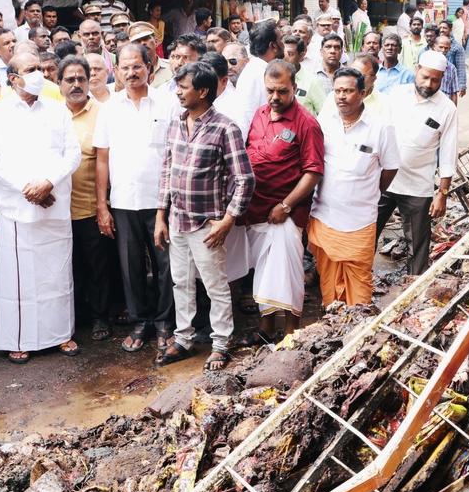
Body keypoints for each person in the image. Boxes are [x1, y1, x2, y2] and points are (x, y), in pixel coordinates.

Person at [0, 52, 81, 363]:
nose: (39, 73)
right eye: (31, 69)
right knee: (18, 277)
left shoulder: (56, 109)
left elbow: (72, 154)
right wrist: (29, 187)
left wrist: (48, 182)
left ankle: (61, 333)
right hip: (17, 206)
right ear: (13, 78)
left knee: (56, 273)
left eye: (39, 67)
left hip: (54, 202)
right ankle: (19, 337)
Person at [154, 62, 254, 370]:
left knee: (215, 285)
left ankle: (221, 342)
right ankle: (183, 339)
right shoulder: (175, 123)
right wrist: (161, 215)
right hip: (178, 220)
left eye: (184, 87)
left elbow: (245, 179)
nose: (178, 92)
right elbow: (168, 170)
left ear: (203, 91)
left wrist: (228, 219)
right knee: (180, 282)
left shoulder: (226, 127)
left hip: (207, 223)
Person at [95, 43, 176, 354]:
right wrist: (102, 205)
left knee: (166, 264)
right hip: (124, 200)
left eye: (137, 66)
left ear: (149, 68)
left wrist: (167, 202)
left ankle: (165, 322)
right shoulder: (110, 108)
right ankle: (140, 321)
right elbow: (102, 159)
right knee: (130, 267)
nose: (131, 72)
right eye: (125, 67)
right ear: (116, 71)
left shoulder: (167, 103)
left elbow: (173, 152)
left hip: (161, 202)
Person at [239, 60, 323, 336]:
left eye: (282, 91)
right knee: (264, 272)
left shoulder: (306, 123)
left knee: (286, 273)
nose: (275, 97)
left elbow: (313, 173)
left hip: (285, 212)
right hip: (257, 209)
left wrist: (286, 205)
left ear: (294, 88)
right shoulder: (260, 114)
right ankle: (265, 327)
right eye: (270, 91)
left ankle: (291, 333)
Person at [308, 68, 398, 306]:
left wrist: (370, 192)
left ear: (363, 93)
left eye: (348, 91)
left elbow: (390, 167)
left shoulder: (381, 127)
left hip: (360, 219)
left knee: (360, 285)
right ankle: (334, 328)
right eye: (338, 91)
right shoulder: (323, 123)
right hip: (324, 217)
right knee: (328, 280)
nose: (341, 96)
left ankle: (358, 331)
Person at [377, 50, 458, 275]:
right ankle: (359, 282)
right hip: (383, 181)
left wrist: (442, 193)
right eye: (425, 77)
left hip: (418, 187)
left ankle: (414, 289)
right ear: (416, 70)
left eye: (436, 80)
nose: (429, 83)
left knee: (418, 245)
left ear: (442, 79)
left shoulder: (447, 108)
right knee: (366, 233)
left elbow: (449, 153)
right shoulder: (396, 95)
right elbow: (379, 133)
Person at [56, 55, 116, 343]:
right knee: (69, 267)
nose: (77, 84)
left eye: (81, 78)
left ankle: (101, 316)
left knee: (97, 266)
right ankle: (74, 317)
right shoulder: (52, 114)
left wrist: (103, 206)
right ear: (59, 83)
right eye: (70, 79)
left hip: (90, 207)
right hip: (55, 211)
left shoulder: (103, 113)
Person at [239, 19, 281, 114]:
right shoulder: (253, 74)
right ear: (273, 46)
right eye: (281, 39)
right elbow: (246, 115)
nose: (284, 44)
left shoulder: (264, 69)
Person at [280, 34, 324, 116]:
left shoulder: (312, 81)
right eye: (283, 54)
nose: (285, 58)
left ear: (301, 55)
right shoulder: (274, 79)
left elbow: (324, 112)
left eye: (290, 54)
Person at [436, 22, 468, 98]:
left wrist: (462, 85)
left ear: (450, 30)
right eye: (440, 27)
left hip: (448, 83)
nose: (442, 30)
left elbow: (461, 67)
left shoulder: (457, 47)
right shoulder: (435, 43)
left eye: (444, 28)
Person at [431, 34, 461, 104]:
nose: (443, 50)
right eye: (440, 47)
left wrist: (454, 111)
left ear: (449, 49)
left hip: (445, 105)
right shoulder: (427, 64)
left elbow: (454, 93)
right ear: (434, 47)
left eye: (446, 48)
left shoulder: (452, 68)